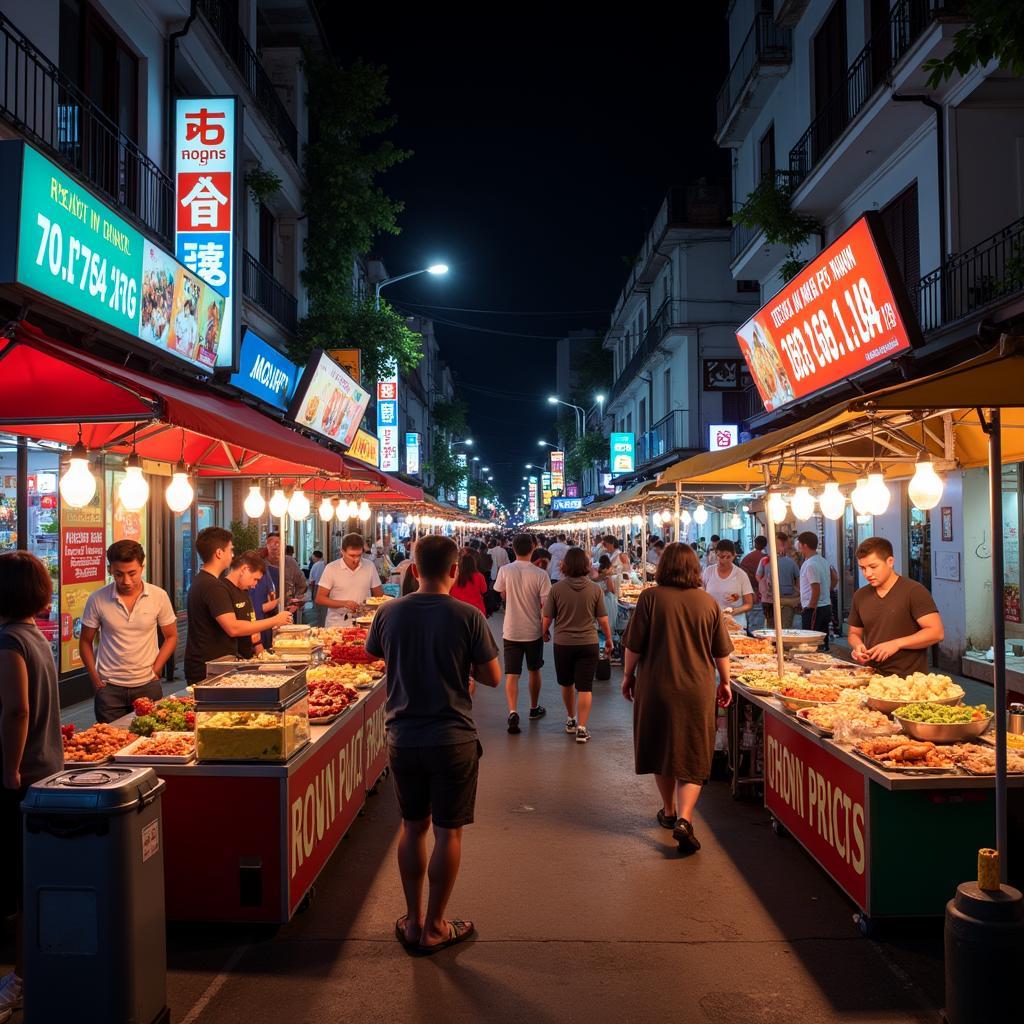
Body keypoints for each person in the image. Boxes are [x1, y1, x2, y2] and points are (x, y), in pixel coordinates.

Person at [365, 534, 501, 954]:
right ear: (455, 571)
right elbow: (494, 676)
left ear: (413, 570)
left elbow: (375, 656)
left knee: (412, 827)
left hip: (403, 736)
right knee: (448, 833)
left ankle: (412, 920)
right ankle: (437, 925)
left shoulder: (388, 613)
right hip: (453, 737)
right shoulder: (468, 615)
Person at [621, 543, 733, 854]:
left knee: (661, 746)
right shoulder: (708, 603)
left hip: (656, 686)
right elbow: (721, 651)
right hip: (697, 689)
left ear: (663, 567)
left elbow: (634, 646)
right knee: (693, 751)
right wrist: (725, 683)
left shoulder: (650, 598)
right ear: (695, 568)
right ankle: (685, 818)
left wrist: (628, 676)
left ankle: (668, 811)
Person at [0, 552, 62, 1018]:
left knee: (19, 884)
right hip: (47, 767)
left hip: (22, 776)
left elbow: (17, 710)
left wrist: (9, 769)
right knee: (30, 879)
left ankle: (19, 979)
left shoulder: (8, 643)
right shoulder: (37, 636)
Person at [79, 540, 178, 724]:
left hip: (147, 685)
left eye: (132, 573)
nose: (126, 581)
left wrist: (157, 668)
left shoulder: (159, 596)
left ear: (142, 567)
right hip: (109, 688)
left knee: (149, 743)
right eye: (119, 574)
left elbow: (171, 636)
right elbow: (85, 641)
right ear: (110, 570)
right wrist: (94, 677)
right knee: (110, 745)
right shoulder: (97, 599)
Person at [184, 527, 291, 683]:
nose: (232, 555)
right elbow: (233, 628)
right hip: (208, 668)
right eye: (230, 550)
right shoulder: (213, 586)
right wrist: (275, 620)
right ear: (219, 553)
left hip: (216, 664)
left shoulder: (204, 581)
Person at [542, 548, 612, 743]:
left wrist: (544, 632)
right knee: (585, 687)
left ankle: (571, 719)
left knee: (566, 683)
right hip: (588, 642)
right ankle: (582, 728)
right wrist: (608, 639)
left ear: (565, 566)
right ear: (586, 566)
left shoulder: (557, 589)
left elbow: (547, 617)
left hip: (563, 643)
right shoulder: (595, 589)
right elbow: (603, 620)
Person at [849, 536, 943, 674]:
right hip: (872, 676)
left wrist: (896, 644)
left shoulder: (914, 591)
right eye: (863, 568)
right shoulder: (860, 595)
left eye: (873, 567)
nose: (867, 573)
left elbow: (936, 632)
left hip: (909, 680)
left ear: (890, 561)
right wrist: (858, 646)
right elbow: (854, 633)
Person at [494, 534, 551, 734]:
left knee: (512, 674)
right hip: (533, 630)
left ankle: (512, 711)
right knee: (534, 670)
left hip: (511, 630)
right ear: (533, 548)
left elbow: (501, 594)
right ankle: (534, 708)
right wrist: (545, 630)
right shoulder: (540, 574)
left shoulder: (505, 570)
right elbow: (546, 606)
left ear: (514, 548)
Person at [316, 533, 384, 628]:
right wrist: (343, 603)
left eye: (359, 555)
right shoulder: (331, 568)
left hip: (364, 622)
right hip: (337, 624)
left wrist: (368, 606)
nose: (356, 560)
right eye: (352, 555)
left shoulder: (369, 566)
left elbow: (379, 595)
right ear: (342, 552)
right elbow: (320, 598)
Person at [223, 551, 270, 658]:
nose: (254, 585)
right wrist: (275, 620)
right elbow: (233, 628)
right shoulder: (222, 589)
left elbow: (252, 623)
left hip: (248, 656)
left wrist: (260, 652)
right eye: (255, 579)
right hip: (230, 659)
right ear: (245, 569)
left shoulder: (244, 591)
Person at [701, 539, 754, 629]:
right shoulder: (709, 571)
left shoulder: (741, 575)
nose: (723, 560)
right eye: (720, 556)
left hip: (736, 625)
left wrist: (733, 611)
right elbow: (701, 596)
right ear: (716, 554)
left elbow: (749, 604)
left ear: (734, 556)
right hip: (712, 623)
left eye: (727, 557)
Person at [797, 531, 833, 649]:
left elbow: (815, 587)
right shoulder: (823, 560)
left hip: (815, 609)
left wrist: (810, 607)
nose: (798, 546)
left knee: (810, 643)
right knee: (822, 641)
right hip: (825, 606)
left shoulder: (810, 564)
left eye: (799, 543)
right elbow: (835, 578)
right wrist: (826, 592)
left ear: (804, 545)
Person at [758, 532, 801, 628]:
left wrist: (796, 593)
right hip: (770, 600)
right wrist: (765, 588)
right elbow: (759, 576)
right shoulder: (765, 560)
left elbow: (798, 579)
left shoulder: (792, 560)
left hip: (787, 600)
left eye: (781, 544)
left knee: (784, 628)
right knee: (772, 629)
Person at [266, 532, 307, 622]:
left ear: (284, 546)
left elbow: (302, 585)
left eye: (278, 543)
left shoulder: (290, 562)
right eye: (271, 542)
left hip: (287, 610)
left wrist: (297, 602)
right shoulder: (261, 564)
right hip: (266, 611)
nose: (275, 546)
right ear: (267, 545)